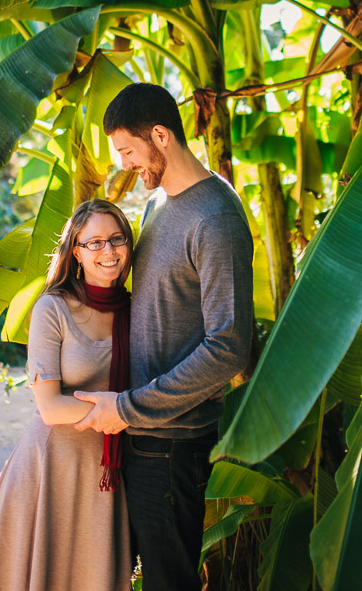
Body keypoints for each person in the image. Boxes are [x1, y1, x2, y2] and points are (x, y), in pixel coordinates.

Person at [74, 83, 254, 591]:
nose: (127, 164)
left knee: (168, 582)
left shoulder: (215, 218)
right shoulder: (158, 203)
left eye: (130, 150)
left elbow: (228, 347)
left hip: (173, 443)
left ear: (161, 135)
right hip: (139, 433)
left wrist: (128, 407)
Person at [0, 199, 134, 591]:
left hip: (108, 474)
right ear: (76, 251)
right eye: (94, 243)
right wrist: (123, 410)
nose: (108, 251)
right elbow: (50, 407)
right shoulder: (52, 309)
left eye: (116, 239)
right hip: (50, 466)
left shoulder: (137, 310)